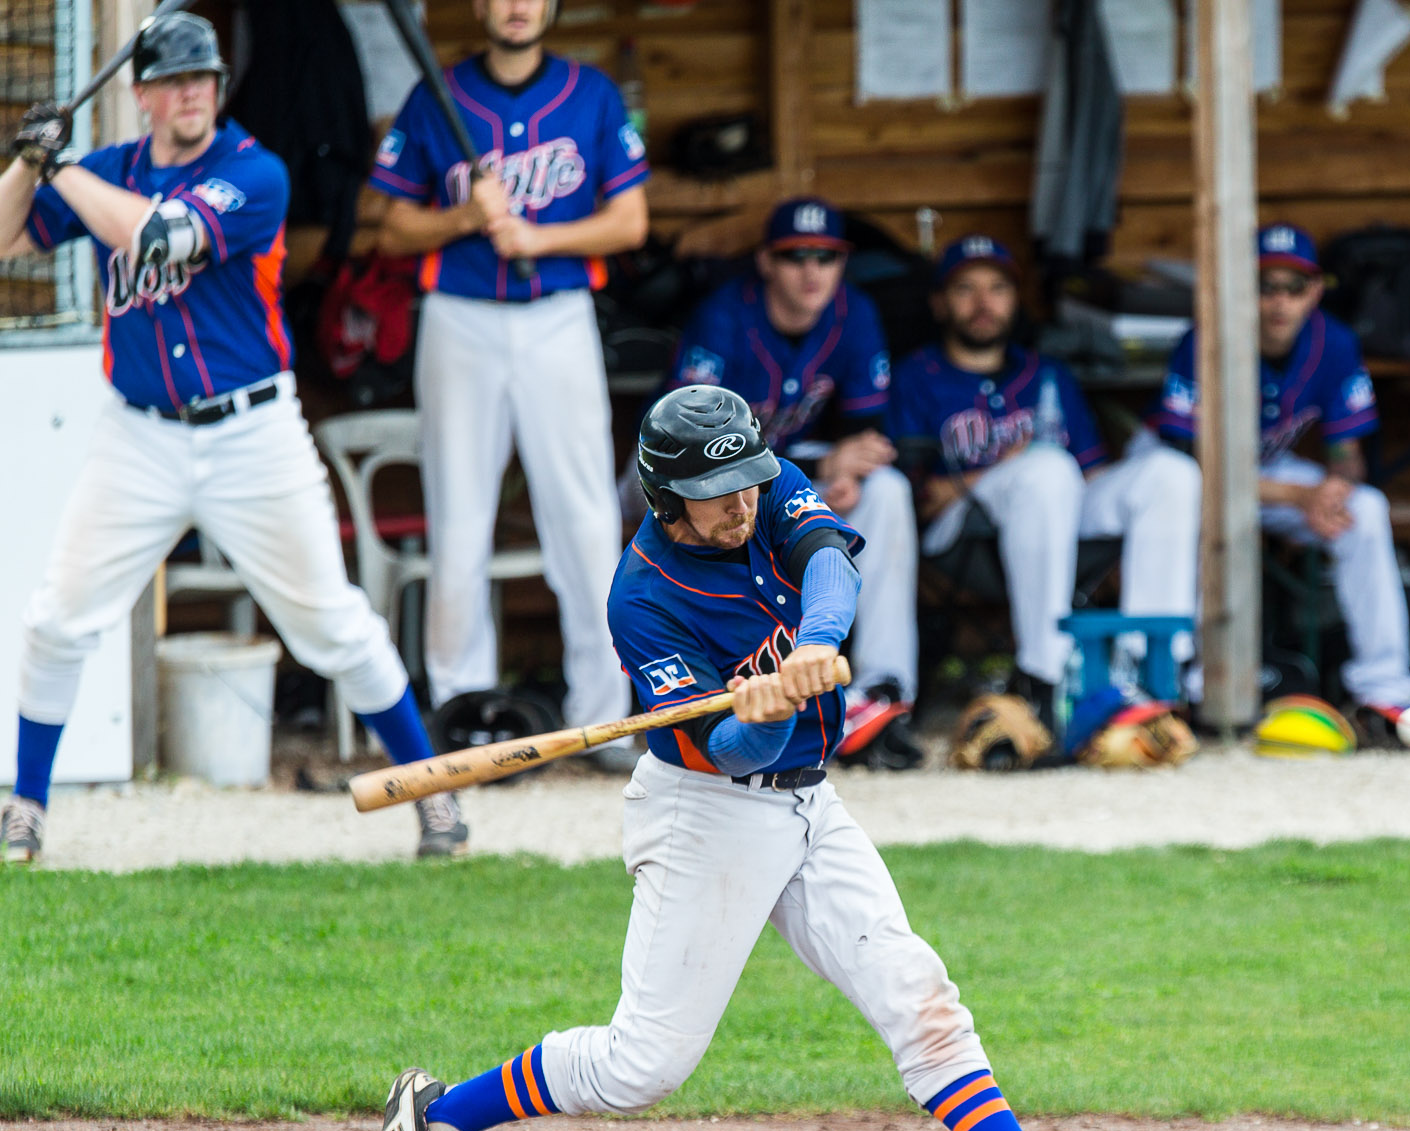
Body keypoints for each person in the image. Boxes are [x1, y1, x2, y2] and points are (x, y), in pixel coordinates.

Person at [353, 386, 1101, 1131]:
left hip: (811, 802)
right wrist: (771, 709)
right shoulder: (643, 601)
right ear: (669, 499)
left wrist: (814, 642)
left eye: (751, 484)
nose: (746, 503)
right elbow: (734, 753)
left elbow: (830, 558)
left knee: (915, 991)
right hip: (706, 815)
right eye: (722, 495)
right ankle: (437, 1118)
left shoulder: (762, 480)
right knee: (643, 1066)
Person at [0, 13, 465, 863]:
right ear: (140, 96)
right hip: (137, 437)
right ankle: (26, 809)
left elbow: (155, 234)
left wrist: (60, 168)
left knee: (331, 624)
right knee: (57, 620)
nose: (193, 94)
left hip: (252, 431)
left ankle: (433, 798)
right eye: (175, 81)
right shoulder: (109, 169)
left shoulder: (255, 171)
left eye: (204, 79)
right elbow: (3, 235)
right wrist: (26, 165)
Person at [368, 0, 649, 772]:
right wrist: (465, 215)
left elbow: (630, 221)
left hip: (558, 312)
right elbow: (391, 226)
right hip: (459, 315)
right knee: (459, 518)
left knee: (586, 519)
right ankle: (468, 715)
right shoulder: (438, 94)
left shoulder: (589, 94)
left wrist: (538, 236)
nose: (517, 6)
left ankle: (606, 714)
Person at [1148, 223, 1410, 743]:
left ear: (1315, 291)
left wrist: (1332, 493)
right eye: (1264, 286)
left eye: (1293, 288)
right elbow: (1196, 466)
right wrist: (1301, 496)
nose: (1279, 302)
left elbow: (1349, 454)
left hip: (1271, 468)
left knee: (1364, 509)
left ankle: (1383, 687)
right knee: (1192, 506)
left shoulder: (1334, 342)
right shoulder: (1205, 341)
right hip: (1186, 477)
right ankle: (1192, 683)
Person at [889, 235, 1200, 724]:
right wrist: (1007, 467)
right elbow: (919, 499)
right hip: (962, 538)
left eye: (997, 288)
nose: (983, 303)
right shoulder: (915, 376)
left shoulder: (1047, 374)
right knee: (1046, 467)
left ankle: (1153, 672)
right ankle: (1045, 677)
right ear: (940, 303)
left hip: (1059, 517)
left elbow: (1092, 474)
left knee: (1171, 472)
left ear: (1016, 299)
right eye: (965, 289)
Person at [667, 197, 922, 763]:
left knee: (886, 490)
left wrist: (845, 464)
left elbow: (867, 430)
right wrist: (817, 471)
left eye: (826, 258)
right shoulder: (725, 315)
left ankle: (881, 691)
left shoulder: (853, 312)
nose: (812, 272)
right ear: (766, 263)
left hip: (784, 472)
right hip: (683, 480)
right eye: (795, 257)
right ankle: (697, 694)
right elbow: (690, 450)